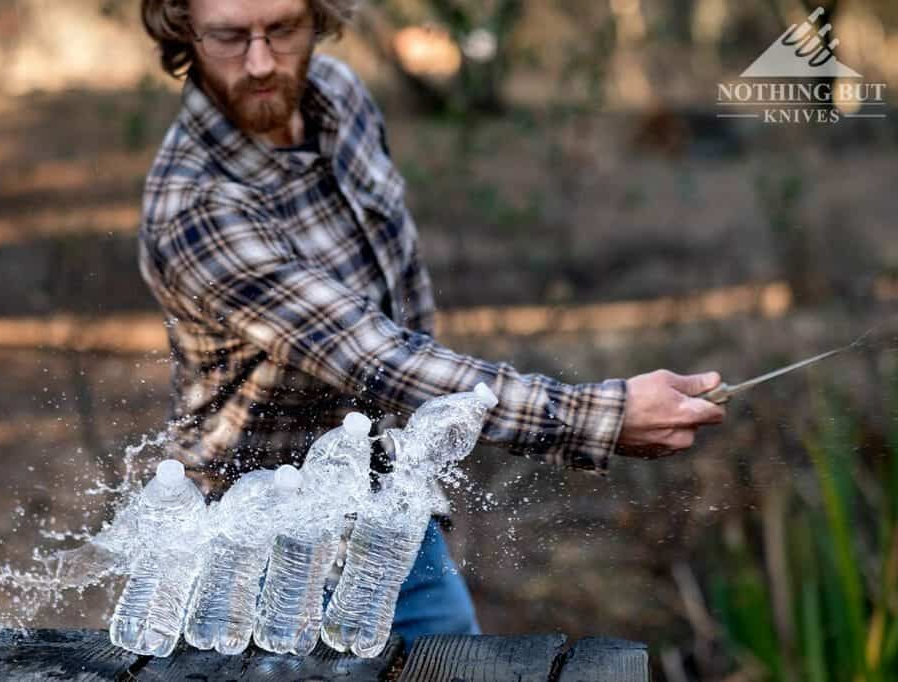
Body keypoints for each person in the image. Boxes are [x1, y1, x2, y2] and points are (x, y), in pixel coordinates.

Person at [137, 0, 727, 648]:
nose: (259, 62)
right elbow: (375, 357)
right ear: (184, 31)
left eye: (282, 30)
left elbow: (398, 304)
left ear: (319, 16)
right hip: (263, 565)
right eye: (228, 36)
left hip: (391, 518)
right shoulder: (196, 208)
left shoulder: (338, 96)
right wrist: (596, 414)